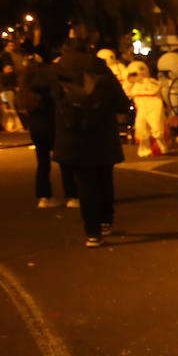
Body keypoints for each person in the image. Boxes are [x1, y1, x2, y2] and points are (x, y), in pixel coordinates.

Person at [52, 47, 130, 248]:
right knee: (104, 179)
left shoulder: (59, 77)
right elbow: (122, 105)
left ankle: (92, 233)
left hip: (74, 140)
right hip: (103, 137)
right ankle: (106, 220)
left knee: (85, 185)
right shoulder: (104, 76)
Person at [21, 53, 78, 208]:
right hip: (53, 126)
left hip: (37, 129)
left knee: (43, 163)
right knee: (65, 161)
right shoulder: (49, 88)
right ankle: (72, 195)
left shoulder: (27, 91)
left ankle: (44, 196)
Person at [124, 61, 165, 158]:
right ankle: (144, 150)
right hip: (141, 108)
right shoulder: (133, 85)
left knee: (157, 128)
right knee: (141, 128)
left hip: (154, 107)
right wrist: (129, 81)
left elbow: (158, 89)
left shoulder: (152, 82)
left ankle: (162, 146)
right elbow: (126, 92)